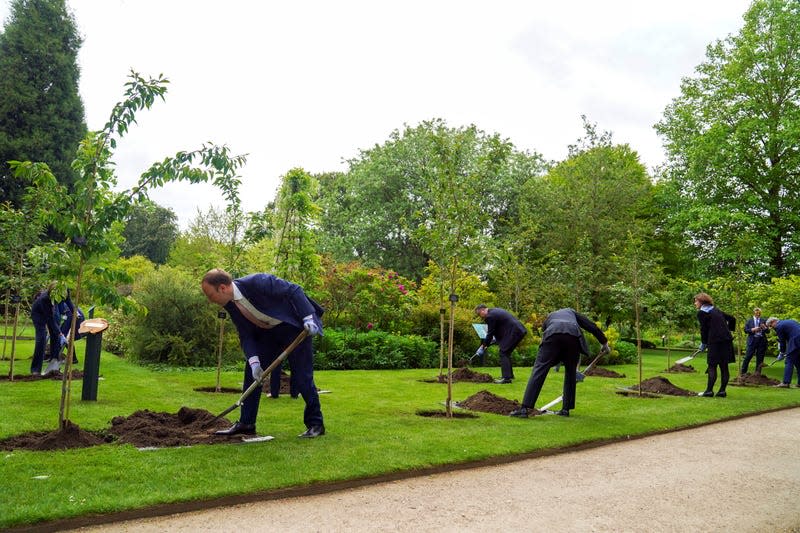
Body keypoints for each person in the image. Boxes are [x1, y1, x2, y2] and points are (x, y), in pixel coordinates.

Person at [201, 269, 325, 438]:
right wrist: (254, 362)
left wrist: (308, 318)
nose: (210, 300)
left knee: (302, 376)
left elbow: (294, 290)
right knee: (251, 374)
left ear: (222, 288)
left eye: (210, 295)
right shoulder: (230, 304)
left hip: (293, 328)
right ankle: (247, 422)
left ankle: (315, 424)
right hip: (268, 333)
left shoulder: (256, 282)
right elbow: (245, 333)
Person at [509, 308, 609, 418]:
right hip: (573, 337)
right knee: (571, 373)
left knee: (539, 369)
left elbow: (545, 331)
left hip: (553, 334)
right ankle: (565, 410)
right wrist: (604, 343)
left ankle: (524, 409)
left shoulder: (550, 316)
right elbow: (591, 326)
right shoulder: (572, 312)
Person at [694, 293, 736, 397]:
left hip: (715, 342)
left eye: (696, 301)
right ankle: (722, 391)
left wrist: (703, 344)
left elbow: (704, 330)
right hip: (727, 341)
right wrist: (728, 331)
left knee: (712, 366)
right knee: (724, 366)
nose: (695, 303)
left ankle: (709, 391)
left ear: (701, 302)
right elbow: (732, 319)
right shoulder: (716, 310)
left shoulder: (701, 313)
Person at [473, 304, 528, 384]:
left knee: (503, 352)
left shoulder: (490, 316)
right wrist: (487, 344)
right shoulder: (494, 311)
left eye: (479, 314)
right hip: (518, 330)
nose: (480, 316)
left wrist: (484, 345)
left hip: (515, 332)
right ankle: (509, 375)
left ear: (482, 310)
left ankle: (506, 379)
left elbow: (490, 333)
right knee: (506, 352)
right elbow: (497, 330)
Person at [30, 282, 67, 376]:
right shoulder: (44, 299)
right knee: (41, 340)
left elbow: (68, 302)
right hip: (38, 315)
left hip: (50, 313)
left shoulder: (63, 293)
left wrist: (75, 312)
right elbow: (49, 319)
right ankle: (35, 369)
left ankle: (54, 362)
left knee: (56, 336)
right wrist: (61, 334)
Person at [764, 317, 800, 388]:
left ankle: (785, 383)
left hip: (796, 341)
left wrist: (782, 353)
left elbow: (782, 342)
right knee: (798, 362)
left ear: (774, 322)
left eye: (771, 326)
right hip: (797, 341)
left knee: (789, 360)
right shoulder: (787, 321)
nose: (771, 328)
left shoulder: (779, 326)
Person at [741, 307, 767, 375]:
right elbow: (745, 330)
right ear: (754, 313)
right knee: (748, 356)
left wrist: (764, 327)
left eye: (759, 313)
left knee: (760, 358)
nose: (758, 314)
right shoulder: (749, 321)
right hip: (752, 340)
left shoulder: (763, 320)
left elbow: (768, 331)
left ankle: (757, 373)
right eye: (757, 313)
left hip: (761, 340)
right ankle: (743, 372)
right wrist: (752, 329)